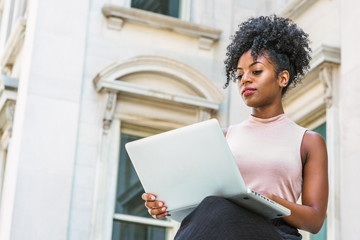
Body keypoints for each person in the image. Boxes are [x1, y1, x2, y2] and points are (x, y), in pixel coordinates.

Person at [142, 15, 328, 239]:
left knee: (218, 209)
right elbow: (202, 204)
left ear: (283, 78)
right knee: (213, 207)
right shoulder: (221, 136)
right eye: (239, 75)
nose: (245, 80)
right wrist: (167, 205)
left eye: (256, 71)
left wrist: (268, 201)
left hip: (275, 232)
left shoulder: (308, 141)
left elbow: (315, 220)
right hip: (221, 228)